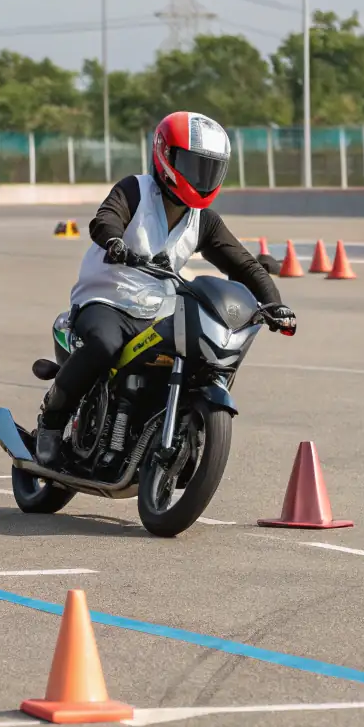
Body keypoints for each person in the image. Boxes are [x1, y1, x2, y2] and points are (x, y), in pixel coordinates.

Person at [35, 111, 297, 466]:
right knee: (105, 344)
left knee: (195, 356)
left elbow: (244, 264)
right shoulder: (135, 189)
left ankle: (167, 433)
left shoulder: (203, 220)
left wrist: (274, 305)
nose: (201, 177)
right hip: (106, 298)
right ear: (166, 155)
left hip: (158, 307)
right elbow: (106, 218)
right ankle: (52, 422)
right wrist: (114, 241)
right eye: (192, 164)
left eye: (209, 168)